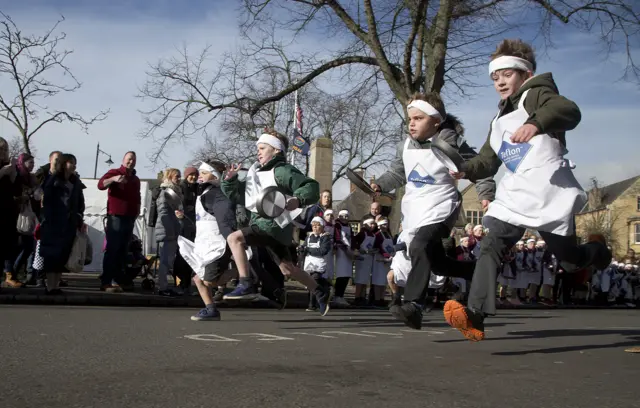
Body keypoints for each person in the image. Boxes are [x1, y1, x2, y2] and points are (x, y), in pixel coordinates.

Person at [443, 39, 612, 342]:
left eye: (506, 75)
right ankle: (475, 315)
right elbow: (487, 159)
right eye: (495, 78)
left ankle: (597, 251)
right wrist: (466, 170)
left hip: (548, 189)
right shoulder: (498, 121)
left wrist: (536, 124)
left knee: (571, 260)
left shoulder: (536, 94)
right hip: (516, 191)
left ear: (525, 72)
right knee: (492, 240)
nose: (499, 83)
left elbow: (567, 110)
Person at [371, 92, 494, 329]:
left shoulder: (452, 143)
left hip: (442, 206)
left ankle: (415, 305)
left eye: (418, 118)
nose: (412, 123)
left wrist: (486, 195)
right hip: (414, 211)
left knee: (419, 245)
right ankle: (478, 271)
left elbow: (480, 168)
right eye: (410, 119)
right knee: (437, 263)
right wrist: (380, 185)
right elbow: (397, 173)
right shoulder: (404, 145)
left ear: (436, 121)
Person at [221, 129, 331, 315]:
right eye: (258, 148)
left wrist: (298, 199)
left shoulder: (281, 171)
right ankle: (320, 291)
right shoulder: (255, 173)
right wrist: (230, 181)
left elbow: (311, 186)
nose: (258, 151)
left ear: (277, 150)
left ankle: (246, 283)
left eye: (263, 147)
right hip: (273, 229)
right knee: (288, 269)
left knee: (234, 239)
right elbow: (240, 196)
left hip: (270, 226)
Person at [178, 160, 237, 321]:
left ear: (214, 175)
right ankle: (211, 309)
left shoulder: (216, 194)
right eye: (199, 173)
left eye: (204, 173)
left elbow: (226, 218)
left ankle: (244, 271)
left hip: (217, 244)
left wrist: (231, 239)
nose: (199, 177)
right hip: (203, 244)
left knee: (209, 281)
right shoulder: (203, 194)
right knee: (198, 279)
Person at [39, 154, 85, 294]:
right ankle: (50, 286)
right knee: (52, 255)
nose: (74, 166)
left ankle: (56, 285)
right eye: (71, 162)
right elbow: (46, 197)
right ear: (65, 163)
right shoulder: (53, 179)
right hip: (53, 222)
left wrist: (78, 216)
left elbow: (80, 202)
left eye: (75, 163)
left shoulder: (75, 181)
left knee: (63, 255)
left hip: (68, 224)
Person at [98, 151, 141, 293]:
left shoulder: (135, 179)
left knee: (123, 251)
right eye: (129, 159)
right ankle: (106, 282)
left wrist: (137, 211)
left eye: (133, 160)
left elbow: (137, 197)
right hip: (116, 217)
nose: (131, 162)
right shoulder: (114, 172)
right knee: (112, 249)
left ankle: (118, 280)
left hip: (130, 218)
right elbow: (100, 185)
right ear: (123, 160)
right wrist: (114, 179)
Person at [154, 168, 184, 296]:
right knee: (165, 261)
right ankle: (162, 287)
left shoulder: (175, 192)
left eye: (179, 176)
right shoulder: (165, 192)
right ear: (170, 177)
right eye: (176, 176)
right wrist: (170, 228)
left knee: (168, 260)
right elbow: (163, 212)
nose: (179, 178)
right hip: (167, 230)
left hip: (172, 230)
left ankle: (164, 286)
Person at [302, 216, 332, 311]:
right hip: (309, 264)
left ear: (322, 227)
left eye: (317, 226)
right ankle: (326, 290)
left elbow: (322, 251)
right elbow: (304, 248)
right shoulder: (309, 237)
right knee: (310, 283)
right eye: (313, 226)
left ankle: (312, 304)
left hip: (319, 264)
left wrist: (308, 250)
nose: (315, 228)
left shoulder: (325, 237)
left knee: (313, 282)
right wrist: (301, 250)